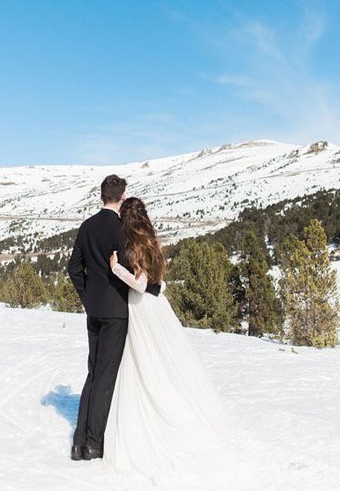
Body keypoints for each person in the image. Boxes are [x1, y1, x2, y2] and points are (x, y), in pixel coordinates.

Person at [104, 196, 232, 474]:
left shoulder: (133, 244)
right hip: (159, 306)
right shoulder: (153, 241)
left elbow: (138, 285)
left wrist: (115, 268)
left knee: (144, 361)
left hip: (141, 308)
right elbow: (158, 282)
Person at [67, 176, 160, 461]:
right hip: (116, 312)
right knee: (106, 377)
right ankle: (93, 444)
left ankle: (78, 442)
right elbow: (134, 272)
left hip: (93, 311)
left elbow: (74, 268)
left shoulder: (86, 227)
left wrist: (88, 298)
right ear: (122, 197)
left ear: (101, 196)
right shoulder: (122, 230)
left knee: (93, 372)